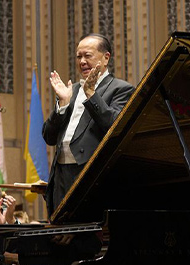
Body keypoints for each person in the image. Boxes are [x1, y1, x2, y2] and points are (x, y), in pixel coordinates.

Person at [43, 33, 135, 217]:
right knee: (58, 234)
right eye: (79, 57)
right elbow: (49, 137)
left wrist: (92, 95)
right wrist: (62, 105)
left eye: (88, 55)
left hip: (90, 176)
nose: (82, 61)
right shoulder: (72, 90)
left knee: (80, 233)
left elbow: (115, 127)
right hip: (61, 174)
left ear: (106, 57)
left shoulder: (121, 89)